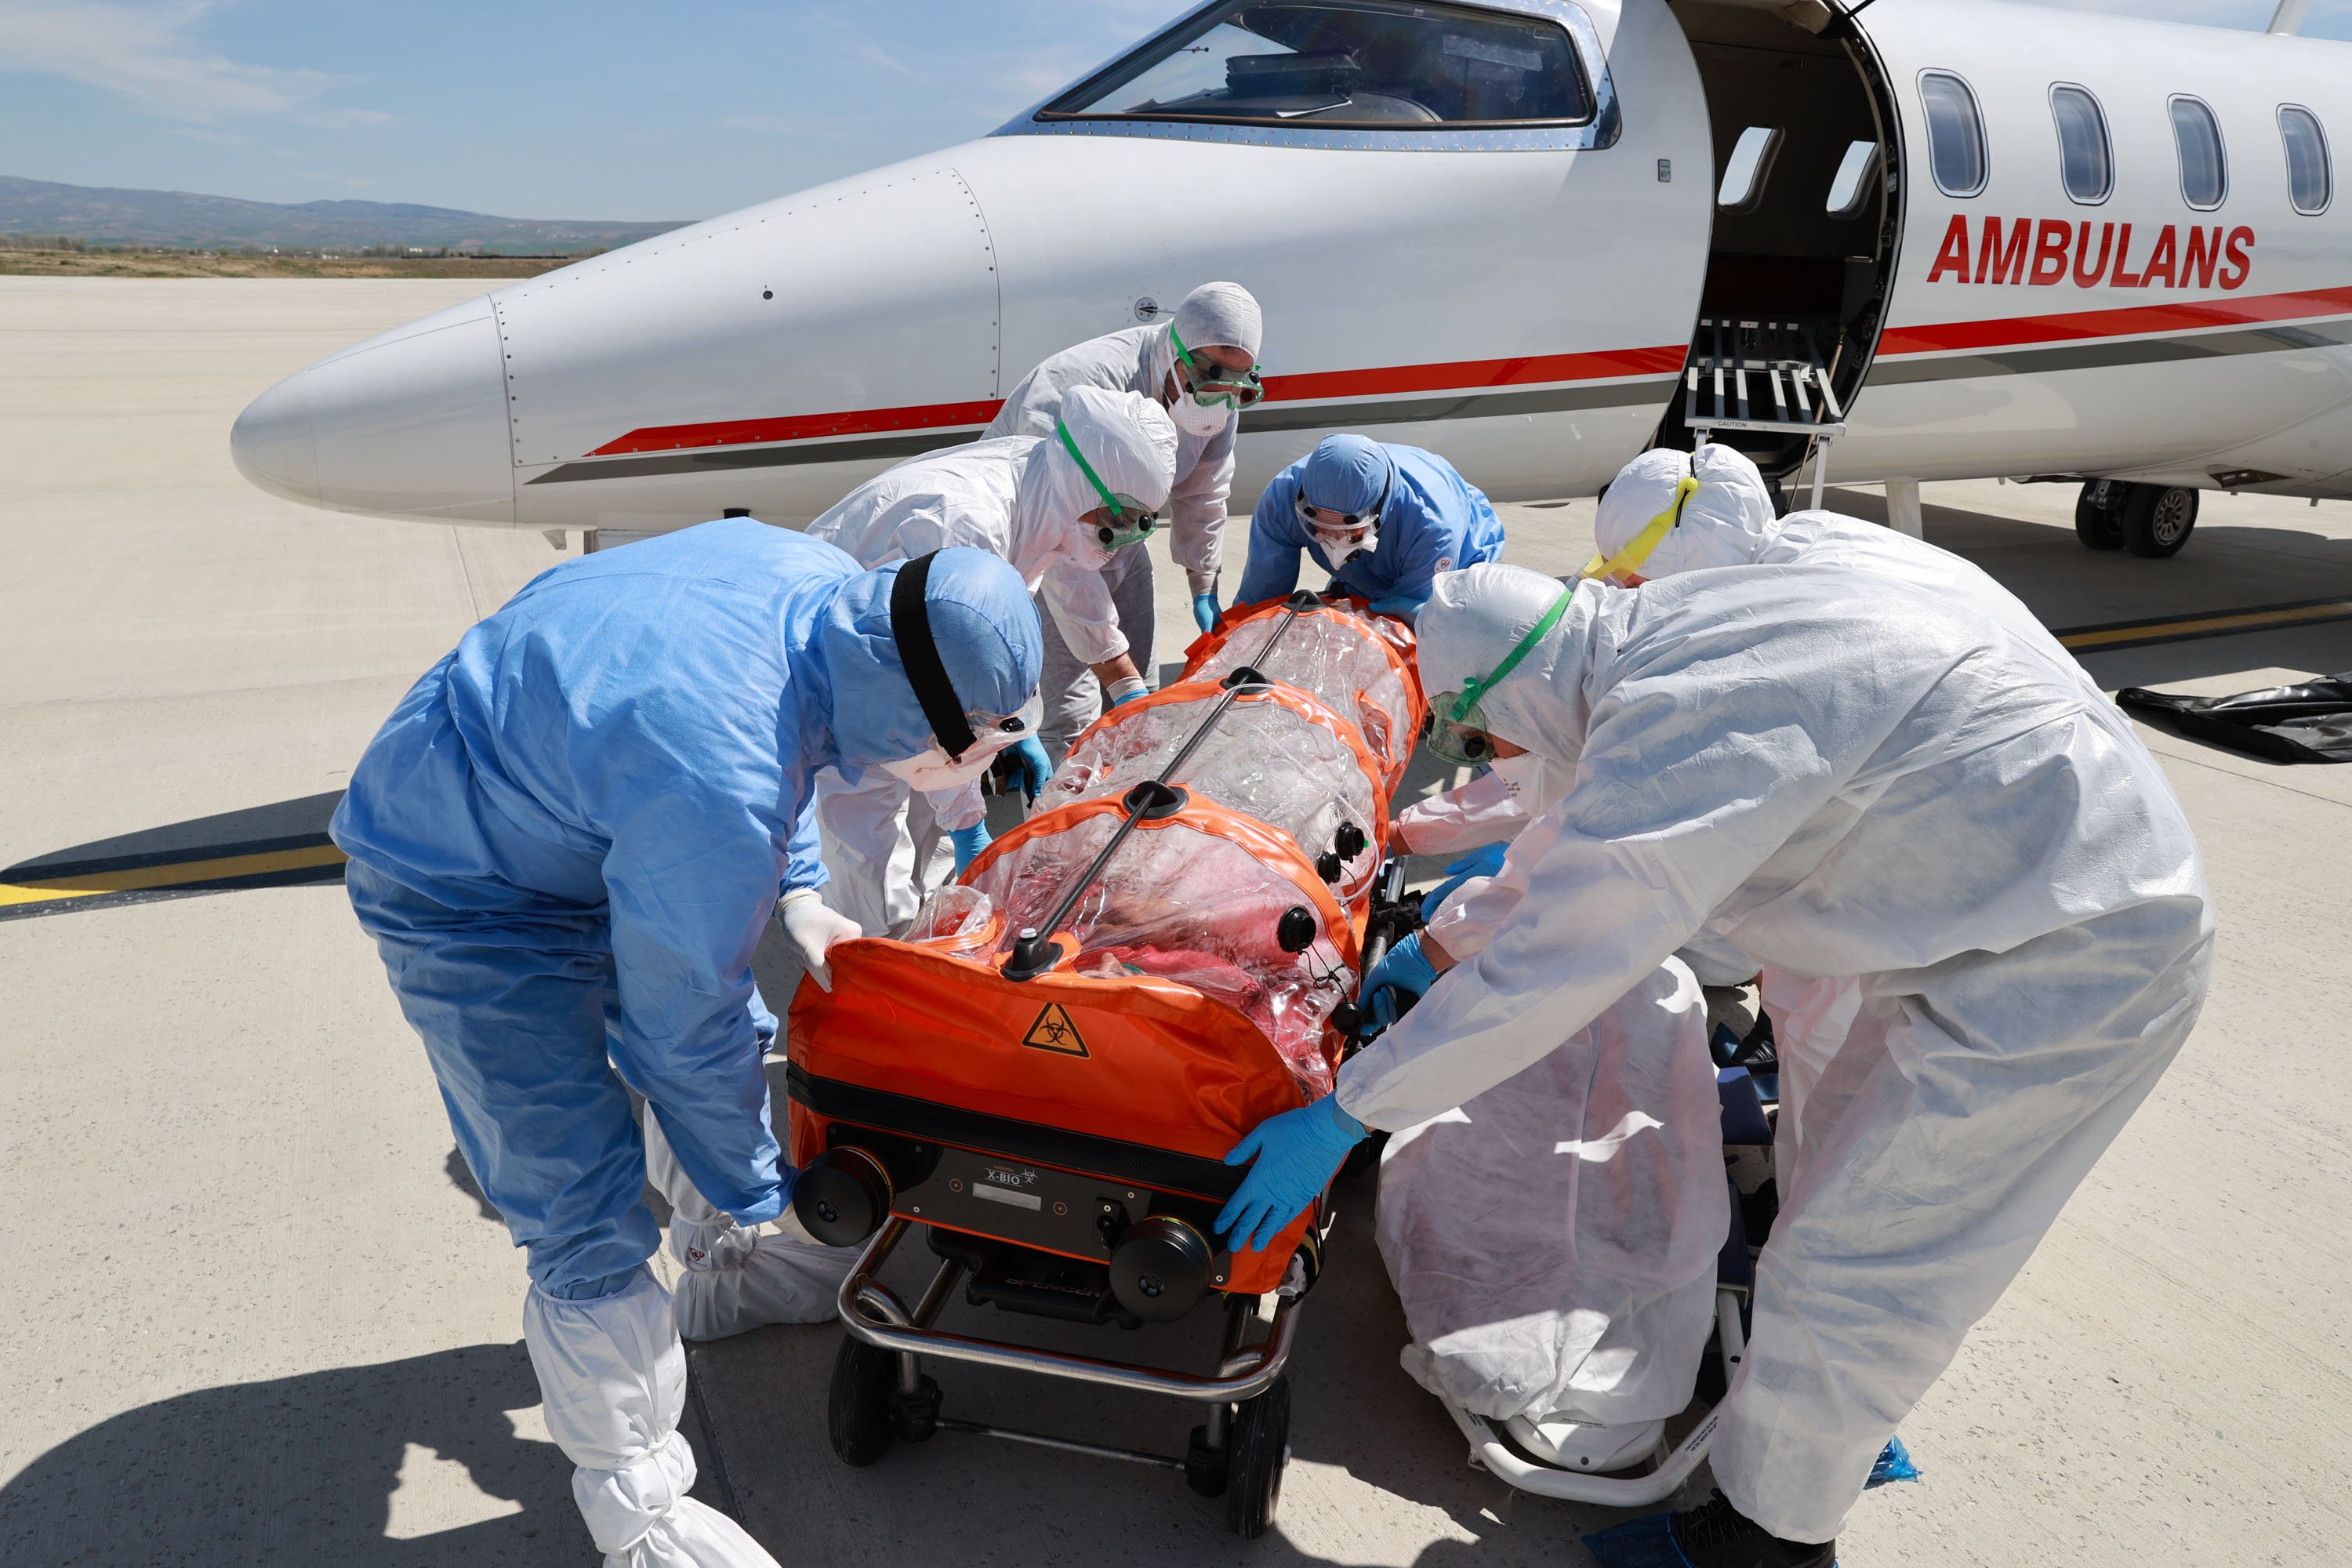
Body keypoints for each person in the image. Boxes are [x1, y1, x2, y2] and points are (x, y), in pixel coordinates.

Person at [1220, 561, 2212, 1566]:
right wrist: (1442, 944)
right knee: (1821, 1185)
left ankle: (1770, 1543)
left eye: (1481, 738)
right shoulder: (1673, 639)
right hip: (2007, 896)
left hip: (2067, 956)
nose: (1495, 759)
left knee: (1856, 1262)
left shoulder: (1676, 719)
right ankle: (1814, 1423)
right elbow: (1575, 845)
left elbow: (1561, 954)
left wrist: (1352, 1108)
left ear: (1513, 689)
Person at [332, 524, 1043, 1568]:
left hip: (557, 788)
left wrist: (797, 887)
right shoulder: (719, 773)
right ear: (912, 706)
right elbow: (682, 1029)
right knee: (577, 1190)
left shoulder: (828, 594)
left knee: (723, 1034)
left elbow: (783, 734)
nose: (971, 759)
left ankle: (722, 1272)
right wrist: (767, 1190)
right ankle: (641, 1514)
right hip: (457, 875)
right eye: (970, 737)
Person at [806, 383, 1178, 930]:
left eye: (1141, 525)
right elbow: (936, 690)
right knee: (868, 851)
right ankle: (876, 959)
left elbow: (1069, 578)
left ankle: (933, 933)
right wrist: (968, 821)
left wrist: (1117, 689)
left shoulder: (1049, 489)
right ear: (1086, 486)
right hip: (850, 681)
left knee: (938, 832)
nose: (1122, 538)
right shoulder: (964, 525)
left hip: (913, 672)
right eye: (1121, 519)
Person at [985, 281, 1264, 762]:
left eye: (1235, 385)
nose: (1218, 398)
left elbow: (1204, 487)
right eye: (1209, 377)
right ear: (1175, 349)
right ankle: (1061, 791)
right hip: (1045, 547)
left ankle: (1131, 780)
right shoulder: (1074, 386)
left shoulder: (1221, 397)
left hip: (1122, 533)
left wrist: (1203, 582)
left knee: (1143, 695)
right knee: (1071, 710)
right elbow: (1063, 545)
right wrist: (1117, 673)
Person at [1230, 434, 1503, 622]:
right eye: (1319, 527)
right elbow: (1263, 589)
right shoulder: (1282, 497)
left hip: (1458, 559)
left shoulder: (1433, 528)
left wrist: (1412, 616)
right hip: (1370, 560)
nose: (1333, 540)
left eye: (1348, 530)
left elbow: (1406, 616)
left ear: (1377, 512)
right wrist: (1236, 628)